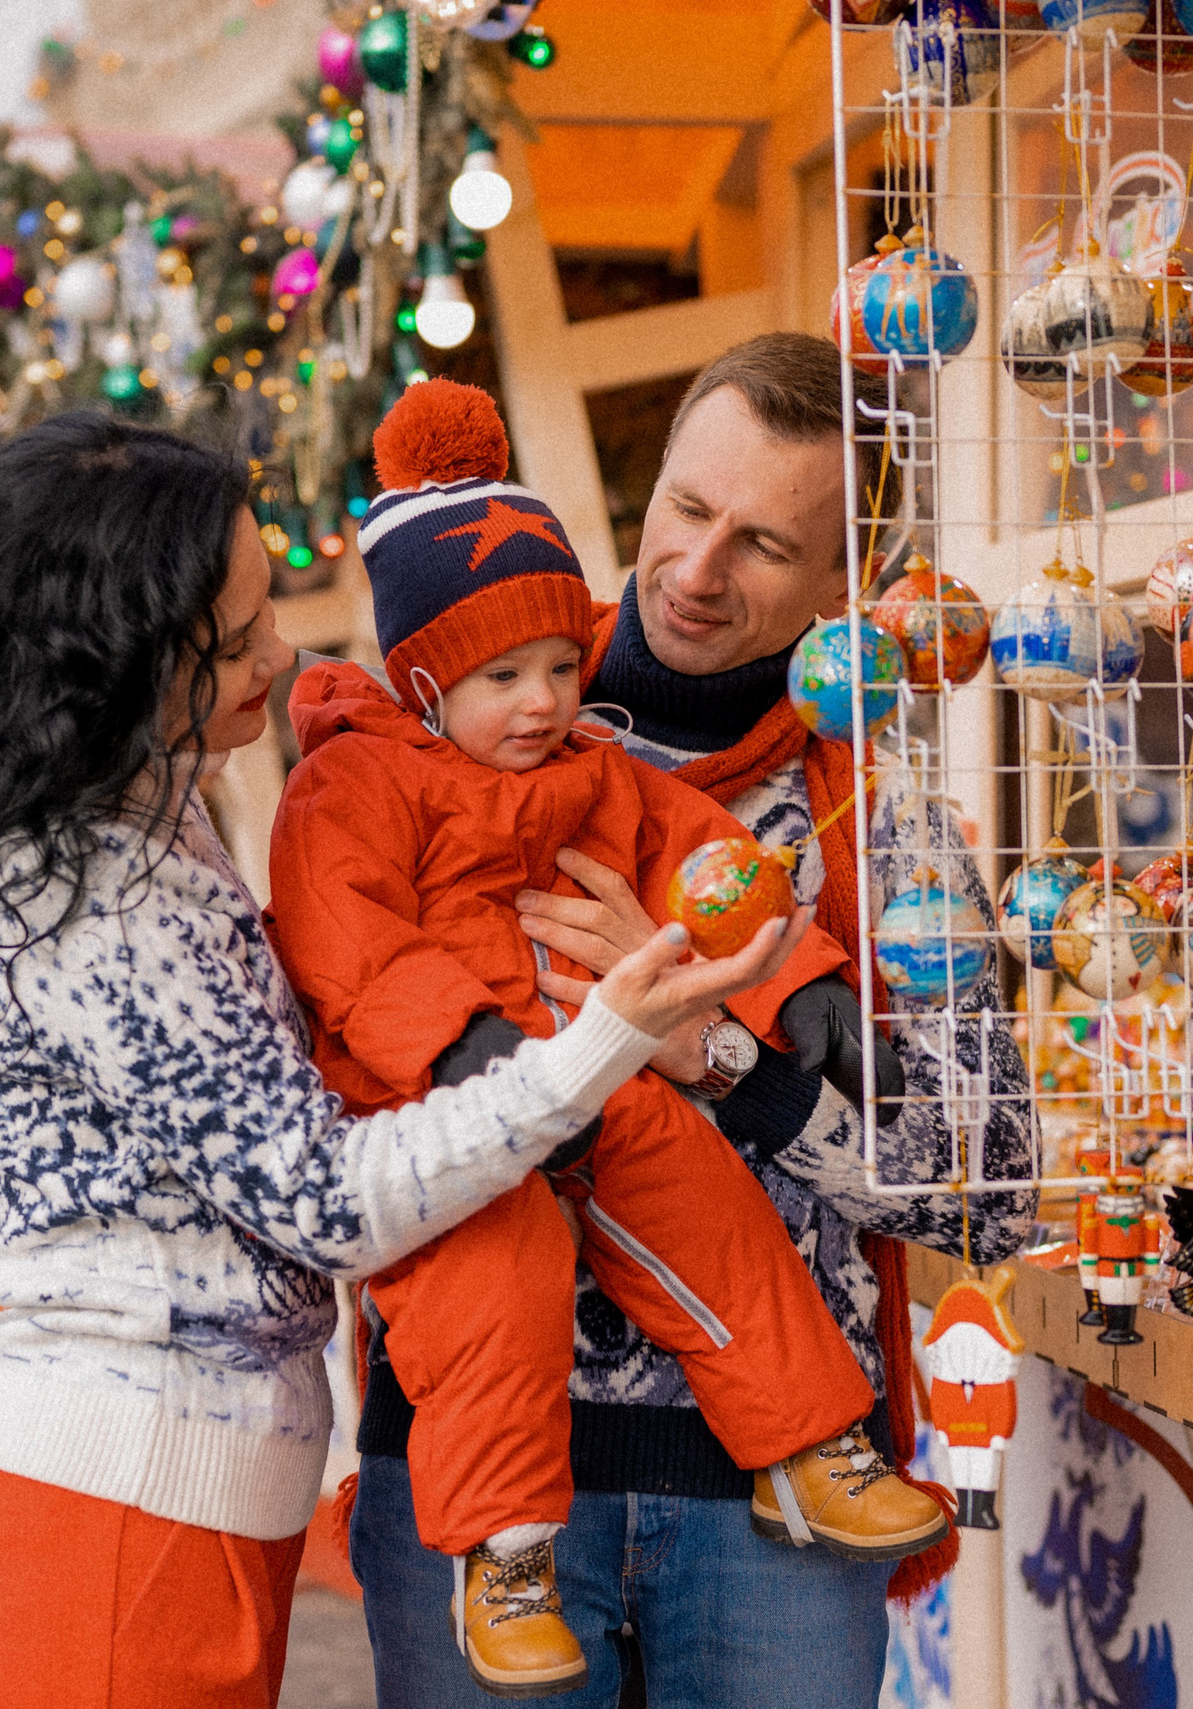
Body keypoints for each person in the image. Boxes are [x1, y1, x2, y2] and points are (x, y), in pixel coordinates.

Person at [0, 411, 809, 1707]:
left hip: (162, 1514)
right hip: (114, 1531)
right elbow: (324, 1198)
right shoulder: (101, 894)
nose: (283, 653)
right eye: (236, 639)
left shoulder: (145, 828)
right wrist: (600, 1044)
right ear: (119, 655)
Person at [348, 333, 1039, 1706]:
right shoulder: (440, 737)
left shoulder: (875, 822)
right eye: (685, 510)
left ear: (849, 580)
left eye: (766, 545)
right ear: (646, 491)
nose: (699, 571)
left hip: (778, 1503)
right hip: (481, 1489)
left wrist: (718, 1057)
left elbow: (994, 1187)